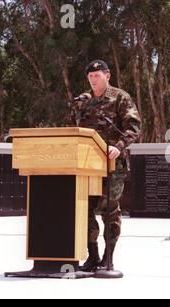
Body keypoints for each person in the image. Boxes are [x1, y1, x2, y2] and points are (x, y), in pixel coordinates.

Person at [68, 59, 141, 271]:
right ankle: (92, 257)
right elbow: (75, 129)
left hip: (112, 165)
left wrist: (119, 146)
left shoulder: (120, 97)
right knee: (86, 210)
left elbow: (134, 127)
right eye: (90, 77)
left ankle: (108, 259)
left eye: (97, 76)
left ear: (107, 76)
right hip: (87, 166)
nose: (93, 80)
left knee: (109, 211)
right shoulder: (84, 102)